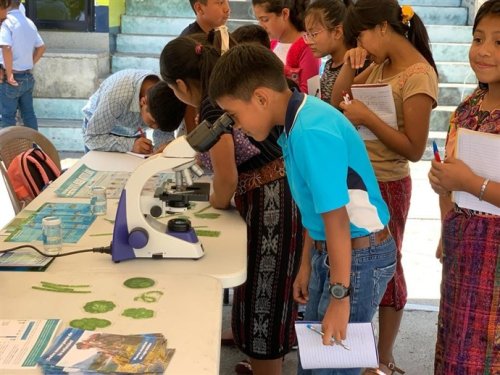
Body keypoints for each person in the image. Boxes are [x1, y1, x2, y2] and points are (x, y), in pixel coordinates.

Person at [210, 43, 397, 375]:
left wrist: (340, 296)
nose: (236, 127)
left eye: (235, 116)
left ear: (261, 98)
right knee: (315, 363)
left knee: (332, 367)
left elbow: (337, 219)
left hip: (357, 257)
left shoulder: (309, 131)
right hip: (338, 254)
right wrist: (308, 265)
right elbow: (318, 209)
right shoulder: (296, 124)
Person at [161, 35, 304, 375]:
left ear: (180, 85)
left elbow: (225, 177)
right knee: (262, 296)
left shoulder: (214, 105)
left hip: (271, 204)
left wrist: (214, 202)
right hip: (277, 195)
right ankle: (263, 365)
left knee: (263, 303)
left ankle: (266, 366)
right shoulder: (224, 94)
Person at [330, 2, 439, 373]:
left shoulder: (418, 75)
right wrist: (349, 64)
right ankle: (361, 353)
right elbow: (337, 104)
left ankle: (383, 358)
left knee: (387, 267)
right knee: (358, 264)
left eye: (359, 35)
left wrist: (369, 118)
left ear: (381, 28)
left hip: (388, 183)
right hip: (360, 178)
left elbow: (413, 147)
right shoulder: (378, 65)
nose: (359, 43)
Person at [428, 1, 500, 373]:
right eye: (478, 38)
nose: (483, 50)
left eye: (499, 42)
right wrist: (443, 180)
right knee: (457, 344)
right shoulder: (468, 107)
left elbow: (468, 180)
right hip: (463, 246)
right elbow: (451, 174)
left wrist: (469, 182)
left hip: (495, 258)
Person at [82, 69, 184, 154]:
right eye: (153, 122)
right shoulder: (117, 97)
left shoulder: (169, 95)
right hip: (100, 130)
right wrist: (131, 144)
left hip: (131, 130)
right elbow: (92, 138)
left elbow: (163, 133)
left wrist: (164, 146)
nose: (155, 127)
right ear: (143, 101)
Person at [252, 0, 320, 93]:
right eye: (258, 20)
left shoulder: (308, 46)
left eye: (265, 20)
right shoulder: (271, 44)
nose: (261, 26)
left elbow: (311, 93)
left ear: (285, 14)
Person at [0, 0, 45, 131]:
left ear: (6, 5)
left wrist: (9, 74)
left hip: (10, 79)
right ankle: (34, 146)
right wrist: (29, 63)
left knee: (7, 117)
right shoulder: (30, 23)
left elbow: (6, 47)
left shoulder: (7, 23)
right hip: (27, 76)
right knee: (29, 115)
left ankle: (7, 150)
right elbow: (41, 47)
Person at [303, 0, 351, 103]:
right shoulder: (329, 64)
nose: (308, 42)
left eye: (314, 34)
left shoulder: (354, 66)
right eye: (307, 34)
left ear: (337, 32)